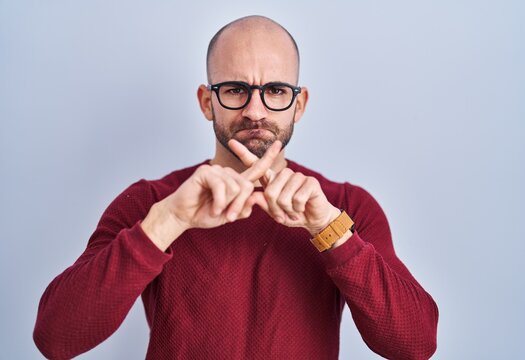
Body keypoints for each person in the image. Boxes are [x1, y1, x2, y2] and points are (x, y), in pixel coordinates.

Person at [33, 15, 438, 360]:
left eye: (276, 91)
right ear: (207, 101)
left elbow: (415, 343)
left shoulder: (346, 206)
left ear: (299, 104)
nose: (255, 111)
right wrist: (167, 222)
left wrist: (330, 231)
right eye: (235, 90)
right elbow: (56, 337)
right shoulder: (152, 203)